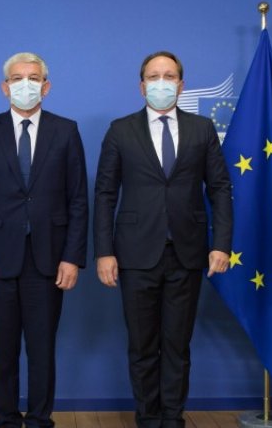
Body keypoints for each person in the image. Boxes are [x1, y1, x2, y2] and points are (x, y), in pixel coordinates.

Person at [94, 51, 232, 428]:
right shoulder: (120, 130)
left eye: (169, 76)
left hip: (187, 253)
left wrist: (221, 244)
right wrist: (104, 252)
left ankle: (172, 418)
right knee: (142, 346)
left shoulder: (202, 129)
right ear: (142, 87)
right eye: (153, 77)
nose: (161, 83)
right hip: (135, 254)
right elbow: (105, 194)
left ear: (181, 85)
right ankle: (147, 417)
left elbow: (220, 188)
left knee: (177, 345)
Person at [0, 52, 88, 428]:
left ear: (46, 87)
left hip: (49, 259)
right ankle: (5, 419)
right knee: (2, 350)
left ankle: (39, 420)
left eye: (33, 78)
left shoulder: (66, 131)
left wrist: (72, 257)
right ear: (5, 87)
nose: (25, 85)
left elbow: (78, 200)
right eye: (17, 79)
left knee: (42, 349)